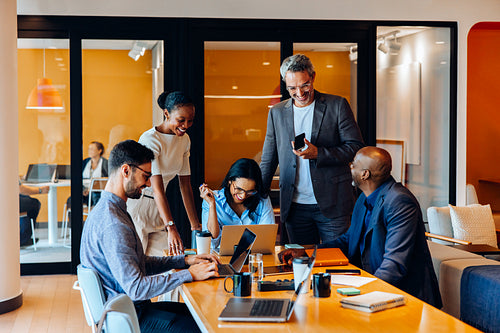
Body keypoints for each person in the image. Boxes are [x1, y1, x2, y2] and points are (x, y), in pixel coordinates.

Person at [80, 139, 219, 333]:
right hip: (129, 318)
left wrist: (185, 261)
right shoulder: (113, 224)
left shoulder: (108, 210)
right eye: (146, 176)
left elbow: (139, 263)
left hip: (128, 311)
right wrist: (190, 275)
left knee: (198, 313)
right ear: (126, 171)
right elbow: (136, 288)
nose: (148, 184)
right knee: (203, 324)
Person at [279, 147, 442, 308]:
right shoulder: (363, 199)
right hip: (371, 287)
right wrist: (307, 252)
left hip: (403, 298)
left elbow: (394, 265)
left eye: (354, 164)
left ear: (365, 174)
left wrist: (362, 297)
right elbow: (348, 240)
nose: (350, 167)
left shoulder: (399, 202)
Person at [260, 54, 364, 245]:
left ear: (313, 77)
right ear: (285, 84)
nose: (299, 92)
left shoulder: (337, 105)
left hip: (333, 205)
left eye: (304, 85)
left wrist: (319, 153)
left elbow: (356, 148)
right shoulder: (276, 112)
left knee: (338, 262)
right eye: (292, 88)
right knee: (300, 263)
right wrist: (257, 195)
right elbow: (268, 158)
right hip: (294, 206)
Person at [127, 91, 201, 256]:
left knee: (167, 265)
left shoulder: (185, 140)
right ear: (166, 114)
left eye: (190, 121)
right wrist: (171, 227)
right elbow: (157, 188)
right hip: (139, 205)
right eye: (181, 120)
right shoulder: (150, 140)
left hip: (160, 208)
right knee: (135, 264)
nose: (186, 125)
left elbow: (185, 186)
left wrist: (195, 225)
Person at [199, 158, 274, 248]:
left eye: (250, 191)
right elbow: (211, 243)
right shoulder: (213, 199)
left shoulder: (262, 200)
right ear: (229, 181)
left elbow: (267, 239)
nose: (243, 196)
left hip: (253, 257)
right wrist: (212, 205)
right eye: (239, 189)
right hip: (219, 259)